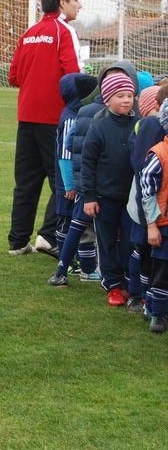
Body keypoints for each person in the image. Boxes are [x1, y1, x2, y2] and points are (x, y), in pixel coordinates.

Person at [7, 0, 82, 257]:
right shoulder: (64, 31)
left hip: (26, 117)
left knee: (26, 181)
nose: (80, 5)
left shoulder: (29, 33)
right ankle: (49, 236)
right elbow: (73, 77)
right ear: (62, 2)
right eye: (76, 0)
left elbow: (13, 76)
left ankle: (17, 241)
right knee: (62, 180)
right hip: (55, 118)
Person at [81, 72, 137, 306]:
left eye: (130, 95)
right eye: (120, 96)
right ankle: (112, 284)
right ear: (107, 99)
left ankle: (129, 282)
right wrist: (89, 196)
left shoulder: (138, 124)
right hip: (105, 197)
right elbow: (88, 163)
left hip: (132, 198)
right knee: (107, 242)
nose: (126, 100)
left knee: (130, 242)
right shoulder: (99, 126)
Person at [46, 73, 98, 287]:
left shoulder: (76, 114)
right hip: (70, 183)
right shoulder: (70, 118)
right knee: (69, 221)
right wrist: (69, 185)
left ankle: (77, 264)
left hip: (73, 181)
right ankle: (71, 263)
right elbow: (66, 154)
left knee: (75, 223)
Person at [140, 99, 168, 332]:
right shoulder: (158, 154)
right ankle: (156, 314)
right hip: (163, 223)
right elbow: (147, 192)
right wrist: (152, 224)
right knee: (162, 269)